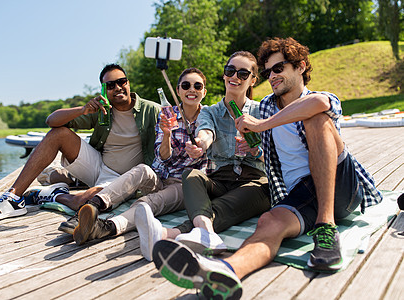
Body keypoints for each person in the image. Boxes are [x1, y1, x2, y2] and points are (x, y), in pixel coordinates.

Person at [152, 38, 383, 300]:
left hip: (341, 187)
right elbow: (245, 141)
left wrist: (261, 126)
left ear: (301, 67)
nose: (272, 76)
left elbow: (318, 105)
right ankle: (225, 272)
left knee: (316, 120)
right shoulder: (264, 106)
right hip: (301, 193)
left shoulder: (317, 98)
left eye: (279, 68)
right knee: (268, 221)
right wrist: (253, 148)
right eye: (268, 71)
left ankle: (326, 227)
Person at [0, 64, 161, 225]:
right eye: (110, 85)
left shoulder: (150, 110)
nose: (118, 87)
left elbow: (175, 126)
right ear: (104, 90)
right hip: (98, 166)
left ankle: (52, 195)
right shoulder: (103, 110)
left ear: (128, 83)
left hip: (127, 177)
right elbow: (51, 121)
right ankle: (13, 198)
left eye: (121, 81)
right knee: (58, 134)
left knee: (85, 202)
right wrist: (83, 109)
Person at [142, 51, 270, 265]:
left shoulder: (262, 110)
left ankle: (170, 234)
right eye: (230, 71)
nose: (235, 77)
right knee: (191, 175)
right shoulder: (210, 112)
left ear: (253, 80)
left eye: (243, 73)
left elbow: (274, 155)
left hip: (254, 180)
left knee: (223, 205)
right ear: (224, 75)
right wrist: (201, 144)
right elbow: (206, 132)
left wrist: (256, 150)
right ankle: (206, 235)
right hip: (221, 178)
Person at [71, 68, 212, 251]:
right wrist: (167, 134)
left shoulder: (209, 116)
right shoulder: (168, 114)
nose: (191, 90)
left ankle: (105, 228)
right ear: (178, 90)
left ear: (204, 91)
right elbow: (164, 157)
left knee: (148, 203)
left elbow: (208, 135)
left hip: (185, 184)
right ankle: (92, 207)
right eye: (186, 85)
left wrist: (201, 145)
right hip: (160, 175)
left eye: (197, 86)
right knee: (140, 170)